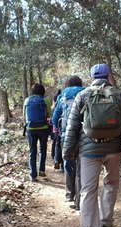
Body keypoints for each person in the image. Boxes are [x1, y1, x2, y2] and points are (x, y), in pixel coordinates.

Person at [62, 64, 121, 227]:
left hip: (88, 152)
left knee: (88, 191)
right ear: (108, 76)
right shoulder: (119, 96)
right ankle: (105, 222)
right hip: (113, 150)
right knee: (111, 184)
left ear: (92, 77)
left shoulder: (83, 95)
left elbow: (71, 128)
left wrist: (67, 154)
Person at [52, 76, 85, 207]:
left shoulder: (62, 96)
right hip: (84, 135)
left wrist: (58, 129)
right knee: (81, 165)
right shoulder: (86, 93)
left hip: (66, 135)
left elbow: (55, 118)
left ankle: (69, 194)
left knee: (68, 163)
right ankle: (79, 198)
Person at [23, 83, 52, 182]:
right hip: (43, 128)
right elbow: (49, 114)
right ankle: (42, 171)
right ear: (42, 91)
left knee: (32, 151)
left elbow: (24, 115)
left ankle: (33, 174)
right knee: (42, 149)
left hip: (30, 129)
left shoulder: (27, 100)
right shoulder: (46, 100)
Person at [51, 89, 63, 170]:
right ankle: (62, 165)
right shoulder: (63, 100)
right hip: (63, 126)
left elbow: (54, 116)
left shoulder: (55, 105)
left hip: (56, 128)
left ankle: (56, 160)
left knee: (57, 144)